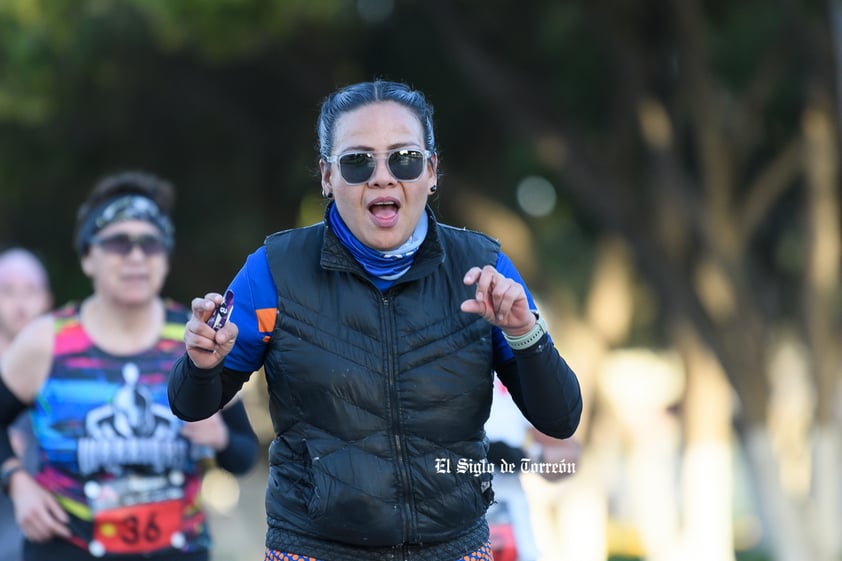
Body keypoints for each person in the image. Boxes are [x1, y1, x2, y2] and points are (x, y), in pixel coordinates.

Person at [168, 80, 583, 561]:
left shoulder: (483, 266)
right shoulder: (273, 269)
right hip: (314, 548)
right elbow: (190, 405)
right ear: (327, 175)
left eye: (403, 158)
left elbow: (560, 419)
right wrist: (201, 364)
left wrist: (524, 333)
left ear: (431, 171)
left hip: (452, 548)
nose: (382, 177)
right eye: (357, 161)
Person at [0, 171, 260, 561]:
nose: (136, 256)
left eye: (151, 244)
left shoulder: (195, 339)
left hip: (178, 550)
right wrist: (16, 481)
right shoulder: (46, 340)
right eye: (119, 243)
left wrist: (220, 438)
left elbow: (243, 456)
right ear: (88, 257)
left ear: (166, 258)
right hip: (66, 548)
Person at [0, 248, 53, 561]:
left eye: (30, 291)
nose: (20, 305)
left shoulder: (68, 378)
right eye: (7, 291)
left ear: (47, 299)